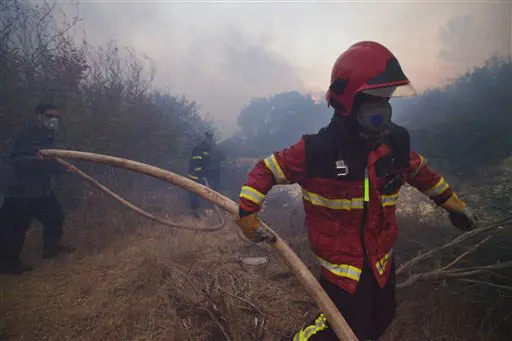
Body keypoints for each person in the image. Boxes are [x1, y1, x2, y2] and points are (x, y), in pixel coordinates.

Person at [234, 41, 478, 341]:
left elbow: (421, 173)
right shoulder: (317, 151)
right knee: (344, 331)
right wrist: (247, 213)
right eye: (375, 100)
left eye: (386, 99)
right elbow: (266, 170)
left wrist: (452, 203)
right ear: (348, 103)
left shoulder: (393, 144)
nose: (384, 109)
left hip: (381, 260)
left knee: (381, 318)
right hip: (343, 269)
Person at [0, 103, 75, 275]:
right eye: (49, 116)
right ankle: (8, 264)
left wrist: (62, 170)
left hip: (41, 190)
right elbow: (16, 159)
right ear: (39, 116)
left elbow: (49, 160)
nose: (53, 120)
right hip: (20, 191)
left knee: (54, 217)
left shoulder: (48, 135)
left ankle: (51, 249)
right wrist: (34, 161)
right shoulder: (26, 135)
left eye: (55, 116)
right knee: (14, 228)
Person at [187, 131, 215, 218]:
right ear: (205, 138)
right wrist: (200, 175)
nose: (209, 140)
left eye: (210, 138)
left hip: (202, 174)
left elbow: (206, 163)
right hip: (194, 174)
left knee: (204, 192)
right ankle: (195, 212)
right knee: (194, 192)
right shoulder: (199, 148)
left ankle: (204, 210)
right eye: (208, 138)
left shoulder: (208, 148)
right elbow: (196, 162)